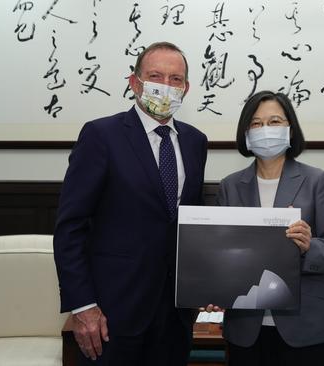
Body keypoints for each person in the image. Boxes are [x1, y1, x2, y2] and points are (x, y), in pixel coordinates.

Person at [53, 41, 208, 365]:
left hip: (175, 314)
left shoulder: (195, 142)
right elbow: (70, 227)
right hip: (112, 313)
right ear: (134, 82)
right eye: (155, 76)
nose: (165, 86)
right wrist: (83, 307)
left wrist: (204, 288)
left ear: (186, 88)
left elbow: (190, 224)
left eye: (175, 79)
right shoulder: (101, 136)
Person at [210, 90, 324, 366]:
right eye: (256, 123)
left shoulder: (315, 181)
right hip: (246, 329)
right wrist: (213, 289)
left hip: (306, 328)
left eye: (275, 121)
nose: (265, 130)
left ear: (290, 129)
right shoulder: (230, 186)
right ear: (246, 133)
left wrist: (309, 246)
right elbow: (221, 255)